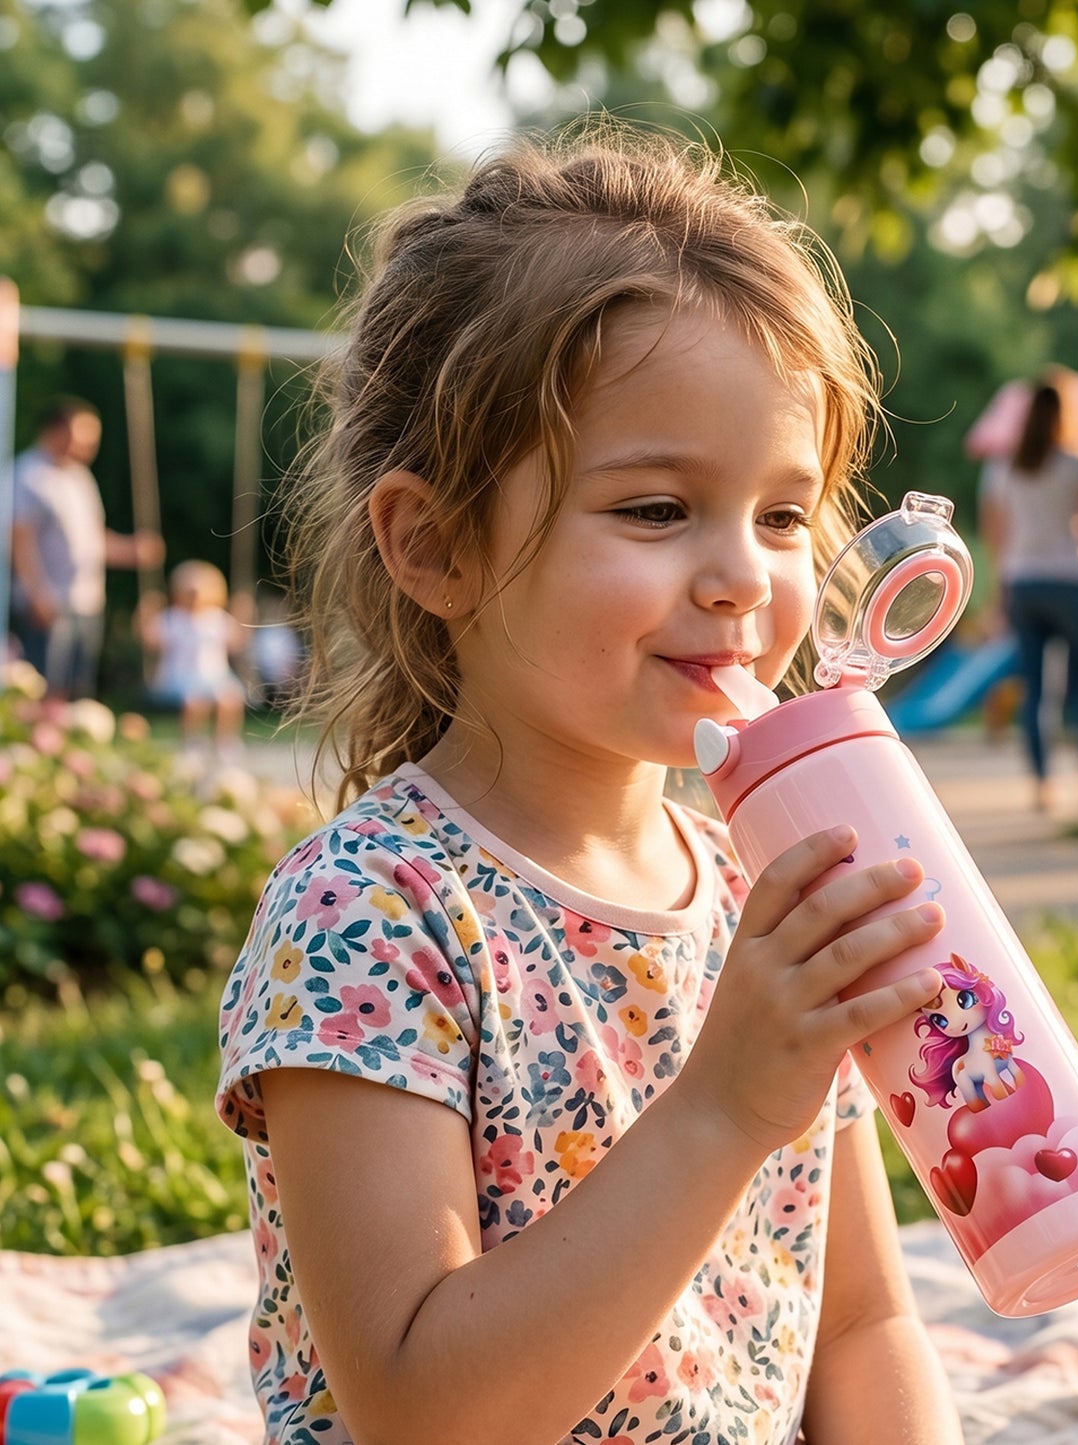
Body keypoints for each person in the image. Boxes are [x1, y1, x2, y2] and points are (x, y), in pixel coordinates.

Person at [215, 123, 964, 1445]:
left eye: (782, 515)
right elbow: (421, 1414)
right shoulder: (370, 913)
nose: (740, 576)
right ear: (435, 547)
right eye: (657, 509)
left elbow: (860, 1322)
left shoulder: (760, 887)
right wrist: (725, 1105)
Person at [979, 370, 1078, 812]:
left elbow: (995, 532)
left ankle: (1043, 786)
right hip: (1073, 580)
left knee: (1037, 689)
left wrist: (1000, 588)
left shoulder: (1003, 465)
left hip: (1024, 582)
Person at [9, 396, 164, 699]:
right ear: (55, 431)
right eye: (83, 436)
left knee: (77, 690)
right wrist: (36, 593)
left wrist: (130, 551)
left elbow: (89, 540)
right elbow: (20, 538)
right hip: (48, 602)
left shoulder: (80, 477)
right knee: (44, 689)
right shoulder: (28, 475)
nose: (90, 445)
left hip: (86, 601)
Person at [135, 559, 248, 757]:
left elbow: (236, 643)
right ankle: (192, 741)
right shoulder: (172, 618)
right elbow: (151, 641)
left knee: (230, 699)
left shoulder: (217, 618)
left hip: (216, 676)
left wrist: (243, 617)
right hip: (178, 677)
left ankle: (226, 741)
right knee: (195, 700)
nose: (195, 598)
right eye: (189, 593)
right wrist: (144, 615)